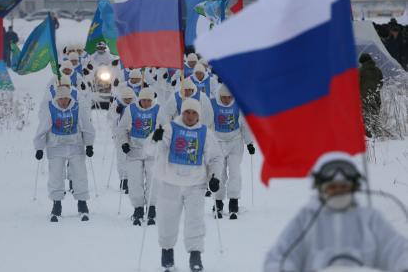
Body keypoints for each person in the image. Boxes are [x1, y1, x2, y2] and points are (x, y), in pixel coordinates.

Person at [263, 152, 408, 271]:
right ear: (321, 189)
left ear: (353, 187)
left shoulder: (370, 218)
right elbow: (281, 255)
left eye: (344, 187)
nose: (339, 193)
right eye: (333, 188)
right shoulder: (307, 219)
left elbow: (396, 248)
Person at [148, 98, 223, 272]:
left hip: (195, 185)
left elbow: (216, 158)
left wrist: (215, 177)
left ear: (199, 115)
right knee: (167, 219)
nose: (190, 116)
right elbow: (151, 151)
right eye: (187, 112)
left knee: (195, 220)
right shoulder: (170, 128)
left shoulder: (205, 133)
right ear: (182, 113)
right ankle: (167, 253)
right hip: (170, 182)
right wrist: (155, 139)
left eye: (194, 113)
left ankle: (195, 255)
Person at [33, 85, 95, 222]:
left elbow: (87, 126)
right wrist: (39, 147)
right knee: (56, 175)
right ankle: (56, 204)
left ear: (69, 97)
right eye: (60, 99)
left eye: (65, 98)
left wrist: (89, 144)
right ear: (56, 98)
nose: (63, 101)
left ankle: (82, 204)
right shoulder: (50, 108)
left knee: (80, 174)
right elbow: (42, 128)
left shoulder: (77, 108)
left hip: (75, 146)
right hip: (56, 147)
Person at [117, 87, 160, 226]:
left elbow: (167, 127)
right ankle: (138, 208)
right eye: (143, 100)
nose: (146, 103)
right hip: (134, 150)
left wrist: (162, 135)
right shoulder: (131, 109)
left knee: (154, 179)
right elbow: (122, 128)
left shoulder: (158, 109)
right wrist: (124, 142)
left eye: (149, 100)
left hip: (152, 152)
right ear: (139, 99)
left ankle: (152, 207)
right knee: (135, 181)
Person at [212, 85, 255, 219]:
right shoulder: (213, 104)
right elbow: (206, 123)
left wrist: (249, 143)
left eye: (229, 98)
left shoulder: (238, 105)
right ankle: (218, 203)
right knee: (219, 174)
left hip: (234, 142)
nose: (226, 100)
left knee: (235, 172)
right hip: (218, 141)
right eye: (224, 98)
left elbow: (244, 124)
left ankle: (233, 202)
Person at [107, 85, 137, 194]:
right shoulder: (116, 104)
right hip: (120, 135)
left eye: (130, 99)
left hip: (133, 135)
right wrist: (116, 112)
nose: (128, 101)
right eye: (126, 99)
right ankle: (124, 180)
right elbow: (110, 118)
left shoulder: (136, 105)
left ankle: (132, 180)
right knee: (121, 157)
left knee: (132, 158)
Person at [358, 53, 383, 138]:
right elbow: (381, 83)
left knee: (366, 116)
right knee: (375, 114)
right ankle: (376, 133)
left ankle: (368, 135)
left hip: (364, 97)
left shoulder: (360, 71)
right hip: (376, 97)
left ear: (362, 62)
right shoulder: (378, 70)